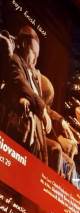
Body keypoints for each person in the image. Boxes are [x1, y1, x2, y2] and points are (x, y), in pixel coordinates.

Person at [1, 26, 51, 159]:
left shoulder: (32, 74)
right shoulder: (15, 61)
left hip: (36, 130)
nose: (35, 60)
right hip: (19, 124)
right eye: (33, 53)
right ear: (23, 44)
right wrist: (42, 109)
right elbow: (20, 84)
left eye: (37, 56)